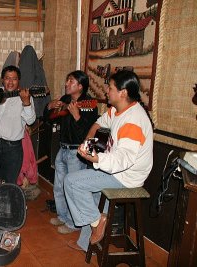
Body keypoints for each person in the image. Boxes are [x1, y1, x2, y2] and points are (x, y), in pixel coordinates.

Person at [64, 70, 153, 250]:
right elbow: (99, 123)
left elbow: (123, 161)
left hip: (126, 177)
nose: (106, 90)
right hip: (117, 170)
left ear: (123, 92)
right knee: (92, 193)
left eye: (110, 87)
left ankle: (98, 222)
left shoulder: (133, 122)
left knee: (71, 182)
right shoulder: (117, 110)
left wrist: (96, 157)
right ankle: (87, 243)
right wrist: (88, 143)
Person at [43, 71, 98, 237]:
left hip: (77, 152)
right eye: (67, 80)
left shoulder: (89, 104)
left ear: (80, 86)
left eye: (71, 81)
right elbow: (50, 119)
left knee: (73, 189)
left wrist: (77, 116)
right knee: (59, 186)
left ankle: (75, 223)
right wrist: (49, 107)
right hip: (63, 149)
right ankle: (63, 216)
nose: (66, 83)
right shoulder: (66, 100)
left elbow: (88, 134)